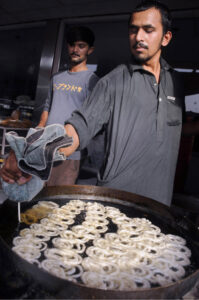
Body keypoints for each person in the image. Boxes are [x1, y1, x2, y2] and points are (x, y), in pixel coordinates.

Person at [0, 0, 197, 206]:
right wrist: (30, 155)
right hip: (117, 200)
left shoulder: (175, 82)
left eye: (148, 30)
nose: (138, 37)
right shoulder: (113, 81)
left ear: (166, 37)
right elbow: (77, 130)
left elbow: (178, 128)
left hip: (160, 201)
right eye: (133, 30)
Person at [37, 26, 98, 186]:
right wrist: (39, 128)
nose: (75, 49)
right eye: (72, 45)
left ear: (90, 50)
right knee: (36, 196)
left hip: (69, 151)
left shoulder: (92, 81)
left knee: (57, 201)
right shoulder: (56, 77)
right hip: (44, 147)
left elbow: (92, 118)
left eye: (81, 46)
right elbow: (47, 106)